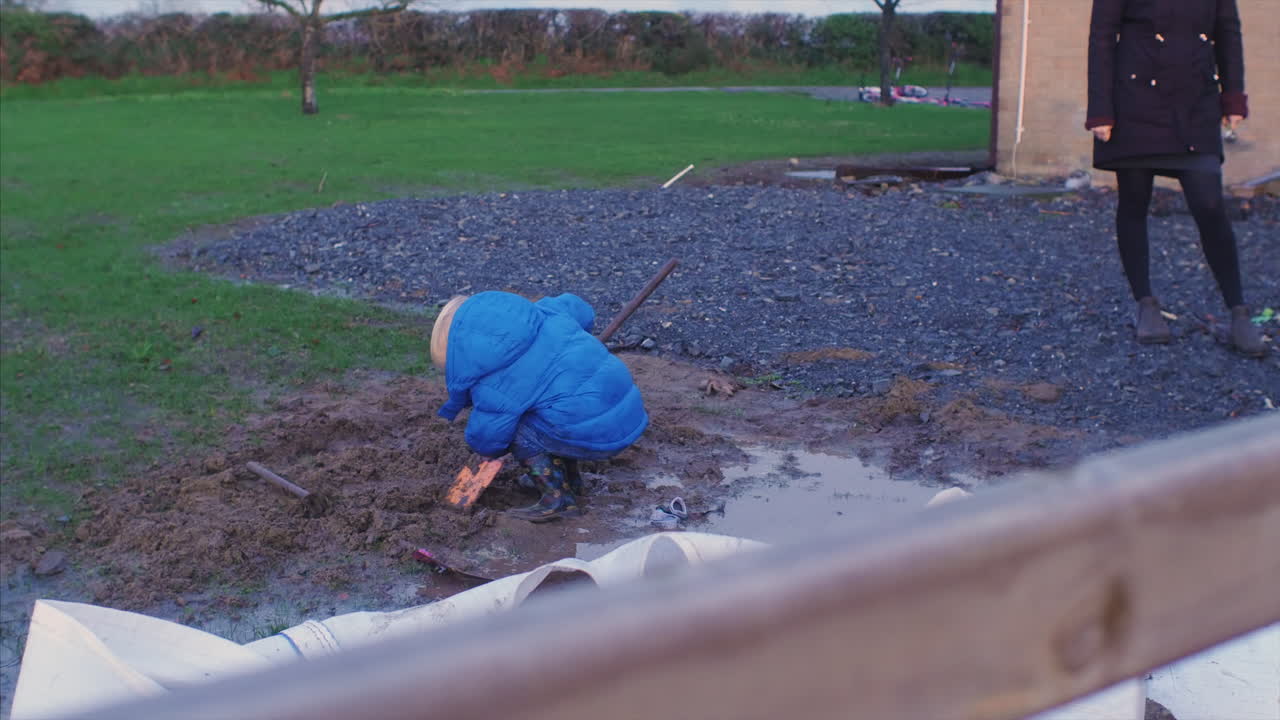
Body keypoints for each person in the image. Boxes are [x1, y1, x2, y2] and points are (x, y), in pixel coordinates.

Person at [1086, 0, 1264, 356]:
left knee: (1210, 205)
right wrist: (1100, 108)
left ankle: (1238, 311)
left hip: (1195, 99)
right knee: (1134, 201)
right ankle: (1146, 304)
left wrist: (1233, 99)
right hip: (1134, 99)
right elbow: (1102, 37)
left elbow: (1228, 32)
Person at [430, 291, 648, 522]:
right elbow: (580, 309)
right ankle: (571, 481)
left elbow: (488, 436)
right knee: (554, 410)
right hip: (625, 408)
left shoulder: (496, 380)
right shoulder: (546, 313)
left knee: (519, 431)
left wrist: (485, 451)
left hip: (597, 434)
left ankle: (558, 499)